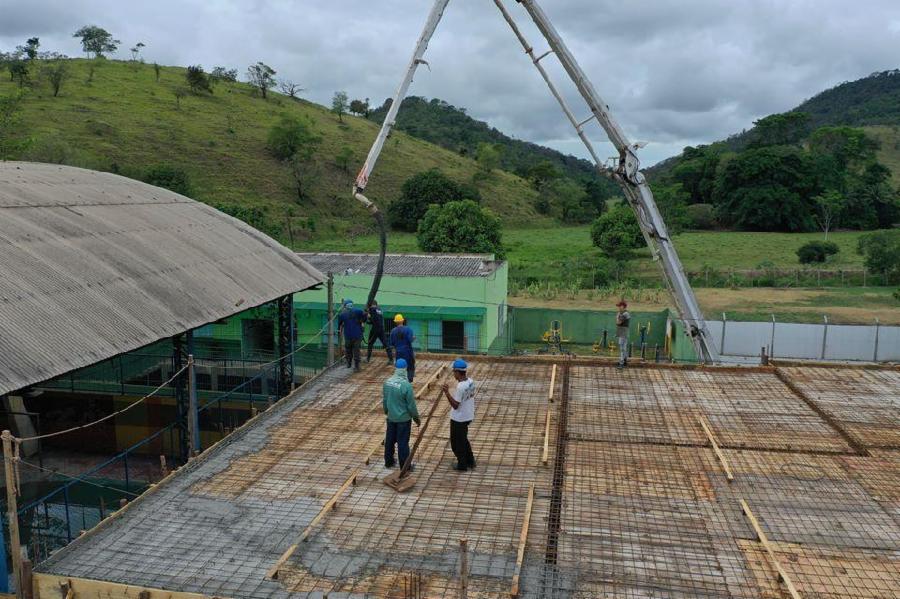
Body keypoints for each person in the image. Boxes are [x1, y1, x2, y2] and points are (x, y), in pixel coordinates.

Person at [383, 358, 420, 469]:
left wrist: (387, 411)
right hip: (403, 420)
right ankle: (405, 466)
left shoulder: (387, 382)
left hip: (391, 418)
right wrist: (416, 418)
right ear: (405, 369)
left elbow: (385, 400)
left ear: (395, 368)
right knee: (403, 443)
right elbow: (411, 406)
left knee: (389, 440)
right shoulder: (406, 385)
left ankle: (388, 461)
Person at [442, 358, 476, 472]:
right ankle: (470, 461)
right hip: (468, 415)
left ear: (457, 372)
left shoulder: (461, 386)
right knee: (464, 439)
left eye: (454, 372)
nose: (453, 374)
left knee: (457, 443)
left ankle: (462, 464)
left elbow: (455, 405)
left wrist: (447, 393)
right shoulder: (471, 381)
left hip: (459, 419)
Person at [337, 299, 366, 371]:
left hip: (348, 336)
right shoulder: (358, 311)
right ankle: (356, 366)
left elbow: (339, 325)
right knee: (356, 350)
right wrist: (362, 321)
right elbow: (365, 316)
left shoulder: (342, 314)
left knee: (348, 350)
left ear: (345, 306)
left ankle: (349, 363)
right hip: (357, 335)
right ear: (352, 304)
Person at [389, 314, 416, 382]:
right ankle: (409, 381)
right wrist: (413, 338)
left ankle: (400, 380)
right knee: (410, 366)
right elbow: (410, 340)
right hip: (408, 352)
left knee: (400, 367)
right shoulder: (408, 329)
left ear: (396, 322)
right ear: (402, 321)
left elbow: (392, 343)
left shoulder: (393, 331)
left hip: (398, 352)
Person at [615, 300, 631, 369]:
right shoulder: (623, 313)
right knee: (623, 348)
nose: (618, 307)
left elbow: (618, 323)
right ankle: (624, 361)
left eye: (619, 306)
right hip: (622, 332)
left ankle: (622, 363)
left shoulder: (625, 314)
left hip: (623, 333)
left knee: (622, 348)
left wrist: (617, 317)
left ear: (623, 306)